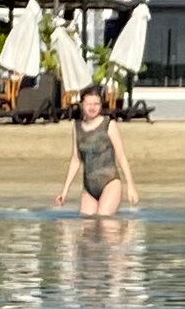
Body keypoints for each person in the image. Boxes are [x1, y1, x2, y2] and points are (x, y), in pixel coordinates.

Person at [57, 81, 139, 219]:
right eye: (89, 104)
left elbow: (121, 156)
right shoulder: (77, 127)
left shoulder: (108, 124)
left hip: (110, 182)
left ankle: (123, 235)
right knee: (87, 225)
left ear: (101, 105)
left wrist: (130, 186)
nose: (92, 107)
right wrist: (64, 192)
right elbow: (76, 160)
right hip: (89, 188)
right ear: (82, 104)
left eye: (96, 104)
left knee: (104, 220)